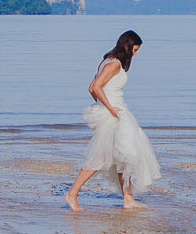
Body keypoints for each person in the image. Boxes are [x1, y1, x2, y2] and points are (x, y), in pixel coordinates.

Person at [66, 29, 161, 210]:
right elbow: (96, 86)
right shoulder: (114, 64)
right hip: (115, 114)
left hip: (115, 111)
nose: (135, 53)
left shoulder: (106, 61)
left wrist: (105, 106)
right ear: (127, 45)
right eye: (135, 49)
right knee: (100, 157)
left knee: (122, 156)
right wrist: (111, 109)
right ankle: (71, 194)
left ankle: (128, 198)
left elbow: (91, 89)